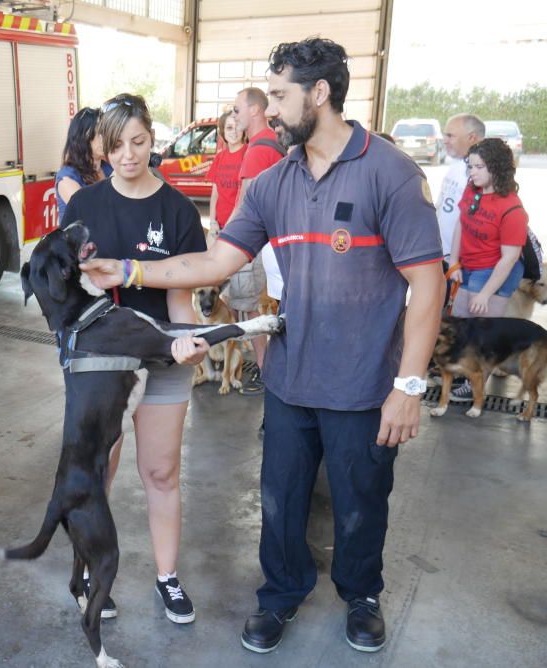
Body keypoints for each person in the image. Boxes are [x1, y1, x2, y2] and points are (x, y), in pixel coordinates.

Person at [80, 38, 444, 654]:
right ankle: (280, 596)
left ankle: (362, 595)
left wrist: (408, 387)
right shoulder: (275, 181)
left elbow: (428, 283)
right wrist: (132, 273)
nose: (268, 111)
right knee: (279, 497)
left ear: (319, 93)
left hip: (363, 383)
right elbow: (218, 258)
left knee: (360, 500)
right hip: (290, 377)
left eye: (279, 96)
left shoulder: (389, 172)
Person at [61, 93, 208, 625]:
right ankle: (88, 572)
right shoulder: (83, 207)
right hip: (101, 362)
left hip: (162, 358)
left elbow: (181, 293)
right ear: (102, 145)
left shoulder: (176, 210)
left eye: (140, 142)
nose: (129, 155)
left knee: (162, 471)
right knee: (98, 469)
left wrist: (189, 340)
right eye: (118, 144)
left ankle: (167, 576)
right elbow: (68, 287)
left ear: (153, 140)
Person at [446, 137, 528, 403]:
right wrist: (455, 262)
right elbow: (460, 224)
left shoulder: (512, 208)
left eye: (479, 167)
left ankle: (476, 382)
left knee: (484, 331)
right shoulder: (472, 190)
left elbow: (510, 258)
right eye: (470, 167)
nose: (473, 172)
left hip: (495, 270)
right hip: (469, 265)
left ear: (497, 168)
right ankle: (465, 370)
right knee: (460, 318)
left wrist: (485, 294)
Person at [230, 87, 286, 396]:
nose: (234, 115)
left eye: (238, 110)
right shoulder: (273, 144)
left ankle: (265, 371)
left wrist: (224, 245)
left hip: (257, 246)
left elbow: (244, 205)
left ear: (255, 111)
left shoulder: (257, 150)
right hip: (275, 243)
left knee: (251, 309)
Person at [438, 114, 485, 260]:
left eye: (450, 136)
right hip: (443, 256)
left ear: (471, 137)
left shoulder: (483, 171)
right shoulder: (457, 164)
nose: (445, 141)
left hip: (462, 263)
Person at [55, 107, 113, 222]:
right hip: (78, 239)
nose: (106, 139)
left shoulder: (107, 168)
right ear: (84, 136)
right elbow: (90, 213)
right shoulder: (67, 176)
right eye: (100, 134)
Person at [206, 110, 246, 234]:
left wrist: (230, 226)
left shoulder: (249, 154)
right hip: (219, 226)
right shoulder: (219, 158)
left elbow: (246, 196)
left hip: (240, 226)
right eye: (229, 128)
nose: (234, 131)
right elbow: (215, 194)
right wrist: (212, 222)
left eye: (237, 127)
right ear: (223, 131)